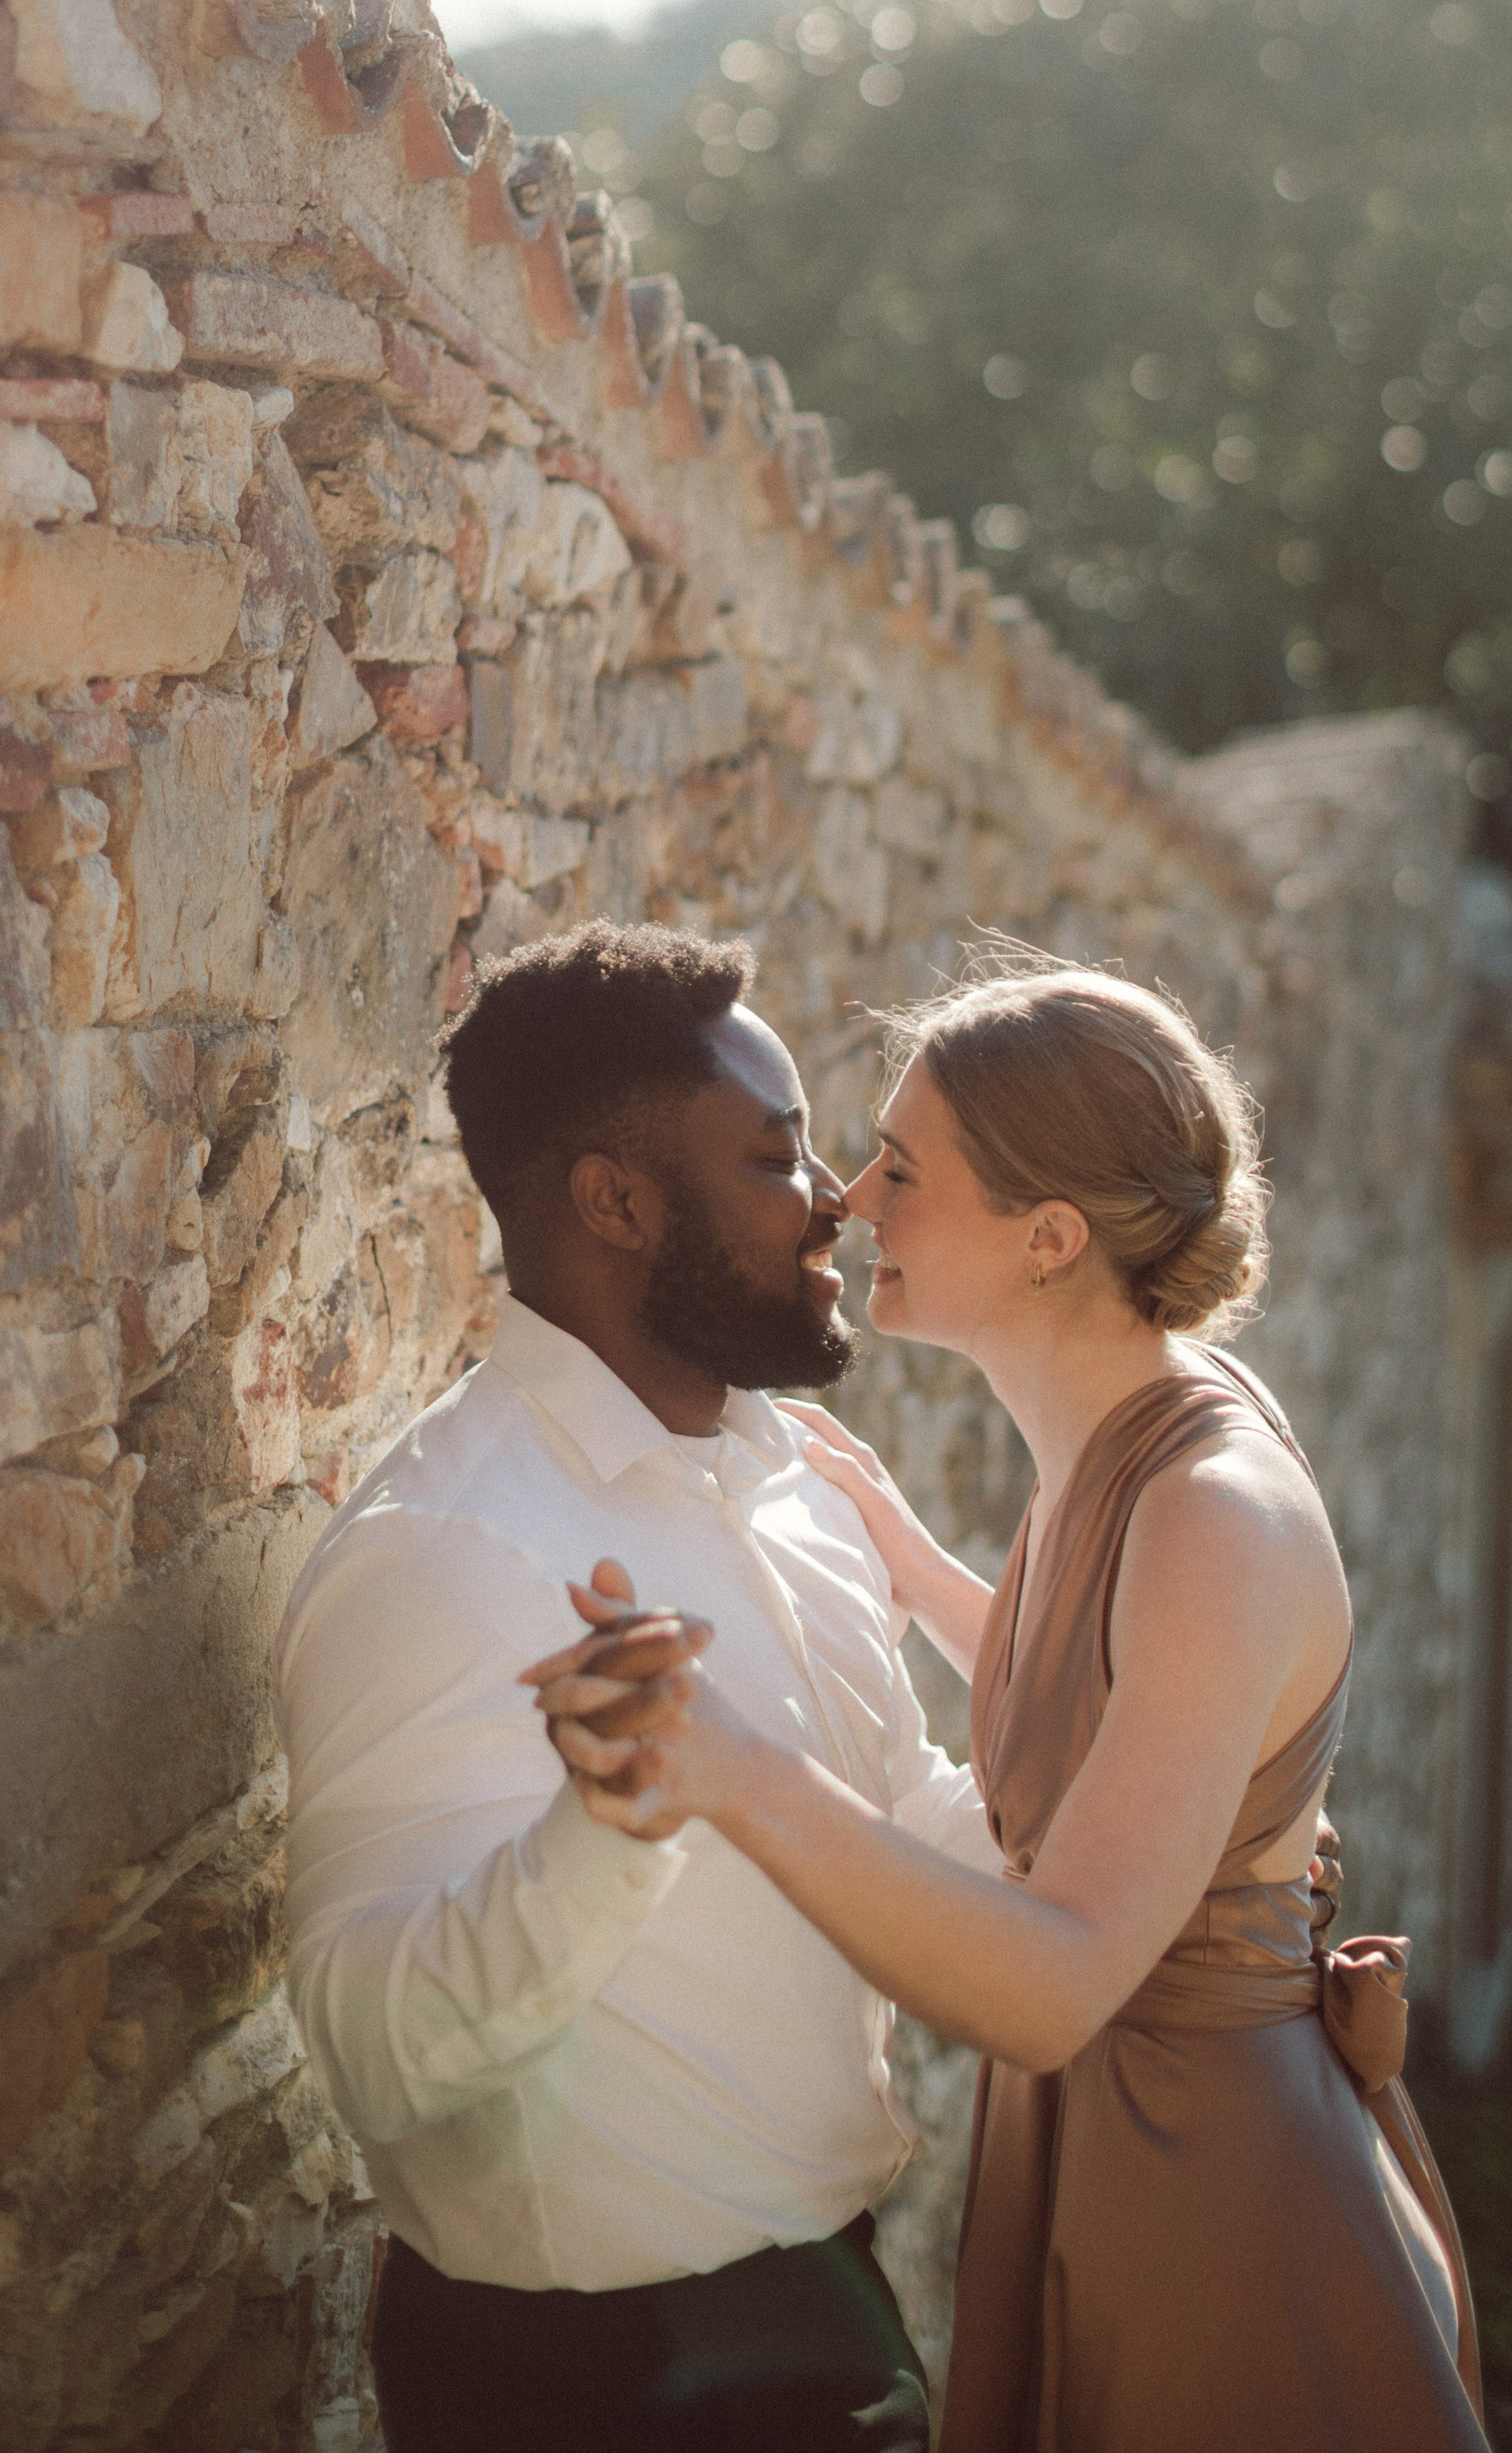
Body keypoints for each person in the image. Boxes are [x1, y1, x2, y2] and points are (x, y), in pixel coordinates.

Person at [530, 957, 1490, 2452]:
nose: (849, 1199)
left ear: (1050, 1238)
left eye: (902, 1169)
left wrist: (736, 1770)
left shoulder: (1213, 1510)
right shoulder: (1127, 1434)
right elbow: (1120, 1717)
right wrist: (920, 1574)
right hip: (1118, 2143)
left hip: (1216, 2201)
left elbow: (1056, 1986)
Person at [274, 922, 1001, 2453]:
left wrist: (1167, 1848)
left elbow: (904, 1821)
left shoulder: (799, 1480)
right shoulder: (439, 1546)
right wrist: (604, 1837)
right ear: (614, 1201)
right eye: (777, 1158)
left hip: (842, 2315)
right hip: (581, 2386)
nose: (836, 1200)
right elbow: (368, 2056)